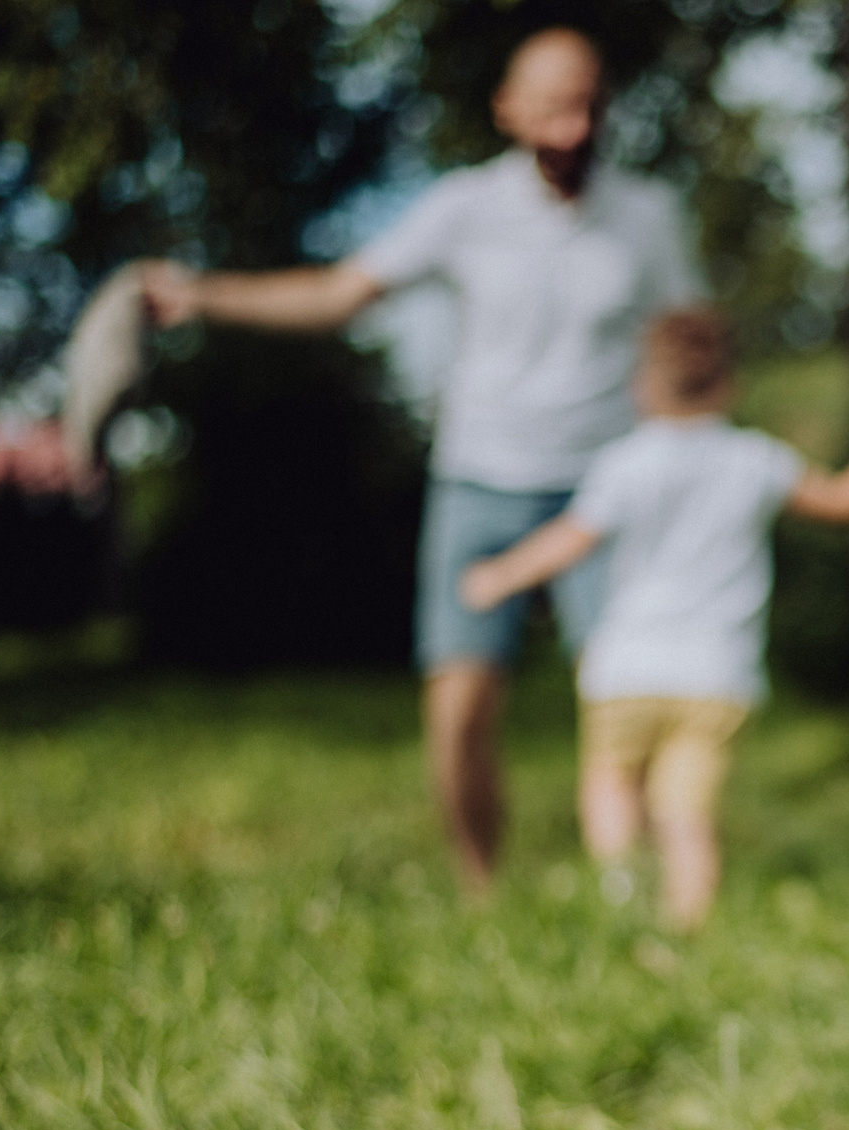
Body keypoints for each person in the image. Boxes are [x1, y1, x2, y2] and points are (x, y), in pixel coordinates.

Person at [138, 29, 702, 897]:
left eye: (589, 106)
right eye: (552, 107)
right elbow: (337, 292)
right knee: (460, 709)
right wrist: (200, 293)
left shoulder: (647, 216)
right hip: (482, 478)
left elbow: (692, 346)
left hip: (605, 485)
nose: (573, 127)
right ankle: (481, 894)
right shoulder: (465, 209)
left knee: (631, 699)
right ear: (507, 111)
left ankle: (652, 890)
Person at [460, 308, 849, 931]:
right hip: (716, 674)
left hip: (626, 666)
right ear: (728, 384)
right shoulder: (756, 460)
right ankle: (685, 930)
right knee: (686, 812)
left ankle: (624, 895)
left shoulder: (625, 462)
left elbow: (568, 541)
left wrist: (499, 576)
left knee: (611, 782)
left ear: (644, 386)